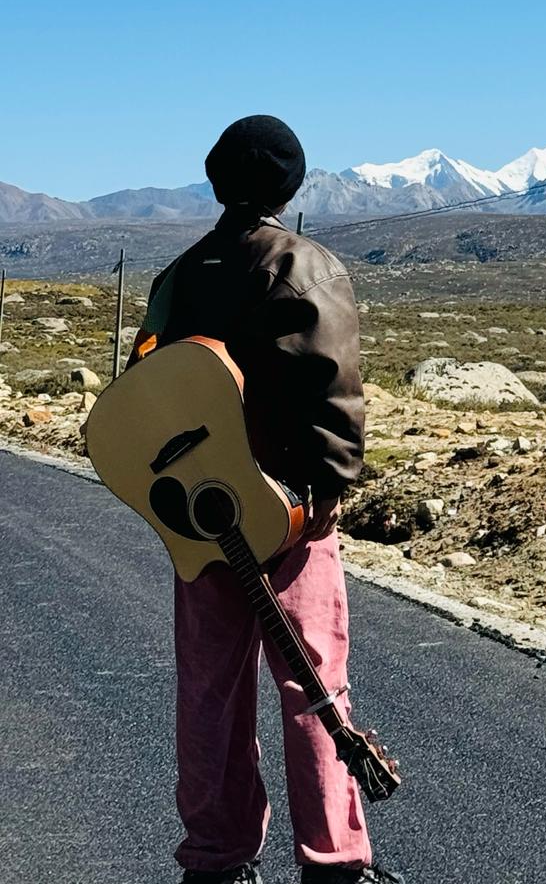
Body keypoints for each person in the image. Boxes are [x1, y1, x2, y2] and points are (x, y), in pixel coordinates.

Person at [131, 116, 402, 884]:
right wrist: (331, 486)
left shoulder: (179, 276)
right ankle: (335, 861)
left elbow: (143, 393)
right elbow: (332, 388)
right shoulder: (304, 265)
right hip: (287, 514)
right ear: (293, 184)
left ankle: (215, 861)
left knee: (210, 692)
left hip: (200, 517)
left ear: (216, 181)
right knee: (315, 683)